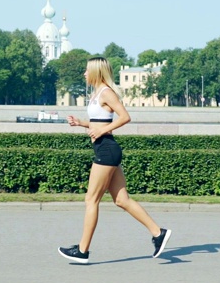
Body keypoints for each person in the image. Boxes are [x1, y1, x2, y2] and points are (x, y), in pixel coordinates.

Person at [58, 57, 172, 264]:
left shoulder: (107, 93)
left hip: (107, 150)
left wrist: (102, 130)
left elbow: (124, 117)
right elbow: (98, 121)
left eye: (86, 70)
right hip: (106, 149)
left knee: (91, 199)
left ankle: (82, 251)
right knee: (121, 200)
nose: (84, 73)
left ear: (96, 72)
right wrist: (82, 123)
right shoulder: (96, 94)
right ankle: (158, 232)